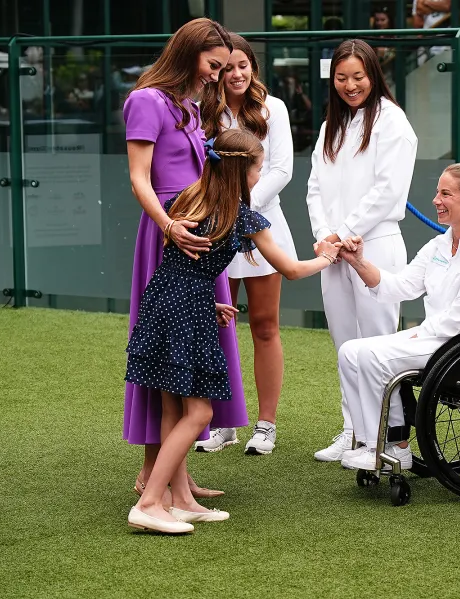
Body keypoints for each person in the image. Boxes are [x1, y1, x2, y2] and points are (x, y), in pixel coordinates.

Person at [127, 128, 341, 534]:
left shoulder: (184, 198)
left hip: (163, 302)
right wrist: (327, 257)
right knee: (200, 411)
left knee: (173, 409)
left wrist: (206, 301)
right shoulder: (242, 218)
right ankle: (151, 501)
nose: (260, 177)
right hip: (187, 311)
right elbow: (292, 270)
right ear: (245, 170)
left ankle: (182, 500)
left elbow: (179, 266)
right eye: (258, 169)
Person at [123, 18, 236, 502]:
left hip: (197, 230)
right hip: (168, 234)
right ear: (190, 53)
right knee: (167, 355)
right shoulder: (147, 101)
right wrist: (169, 228)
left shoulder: (188, 107)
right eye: (214, 64)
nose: (216, 75)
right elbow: (139, 179)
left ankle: (175, 476)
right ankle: (157, 477)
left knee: (185, 358)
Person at [334, 164, 460, 471]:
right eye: (438, 192)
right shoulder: (439, 244)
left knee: (372, 355)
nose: (436, 200)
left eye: (445, 193)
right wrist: (357, 262)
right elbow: (400, 285)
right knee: (349, 351)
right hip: (436, 338)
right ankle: (373, 443)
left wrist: (415, 334)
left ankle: (395, 446)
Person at [306, 39, 418, 462]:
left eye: (358, 76)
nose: (350, 85)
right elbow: (315, 187)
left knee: (378, 343)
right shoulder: (333, 125)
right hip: (333, 253)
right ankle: (354, 430)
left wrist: (345, 233)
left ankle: (392, 440)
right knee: (344, 342)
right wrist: (326, 235)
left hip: (375, 247)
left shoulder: (392, 122)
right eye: (341, 77)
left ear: (374, 74)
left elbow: (389, 190)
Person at [198, 33, 297, 456]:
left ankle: (266, 424)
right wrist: (223, 215)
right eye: (227, 67)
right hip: (216, 228)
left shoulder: (273, 109)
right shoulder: (205, 110)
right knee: (218, 323)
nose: (235, 74)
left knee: (264, 325)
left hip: (262, 227)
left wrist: (242, 212)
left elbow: (282, 170)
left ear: (253, 68)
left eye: (243, 66)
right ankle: (225, 421)